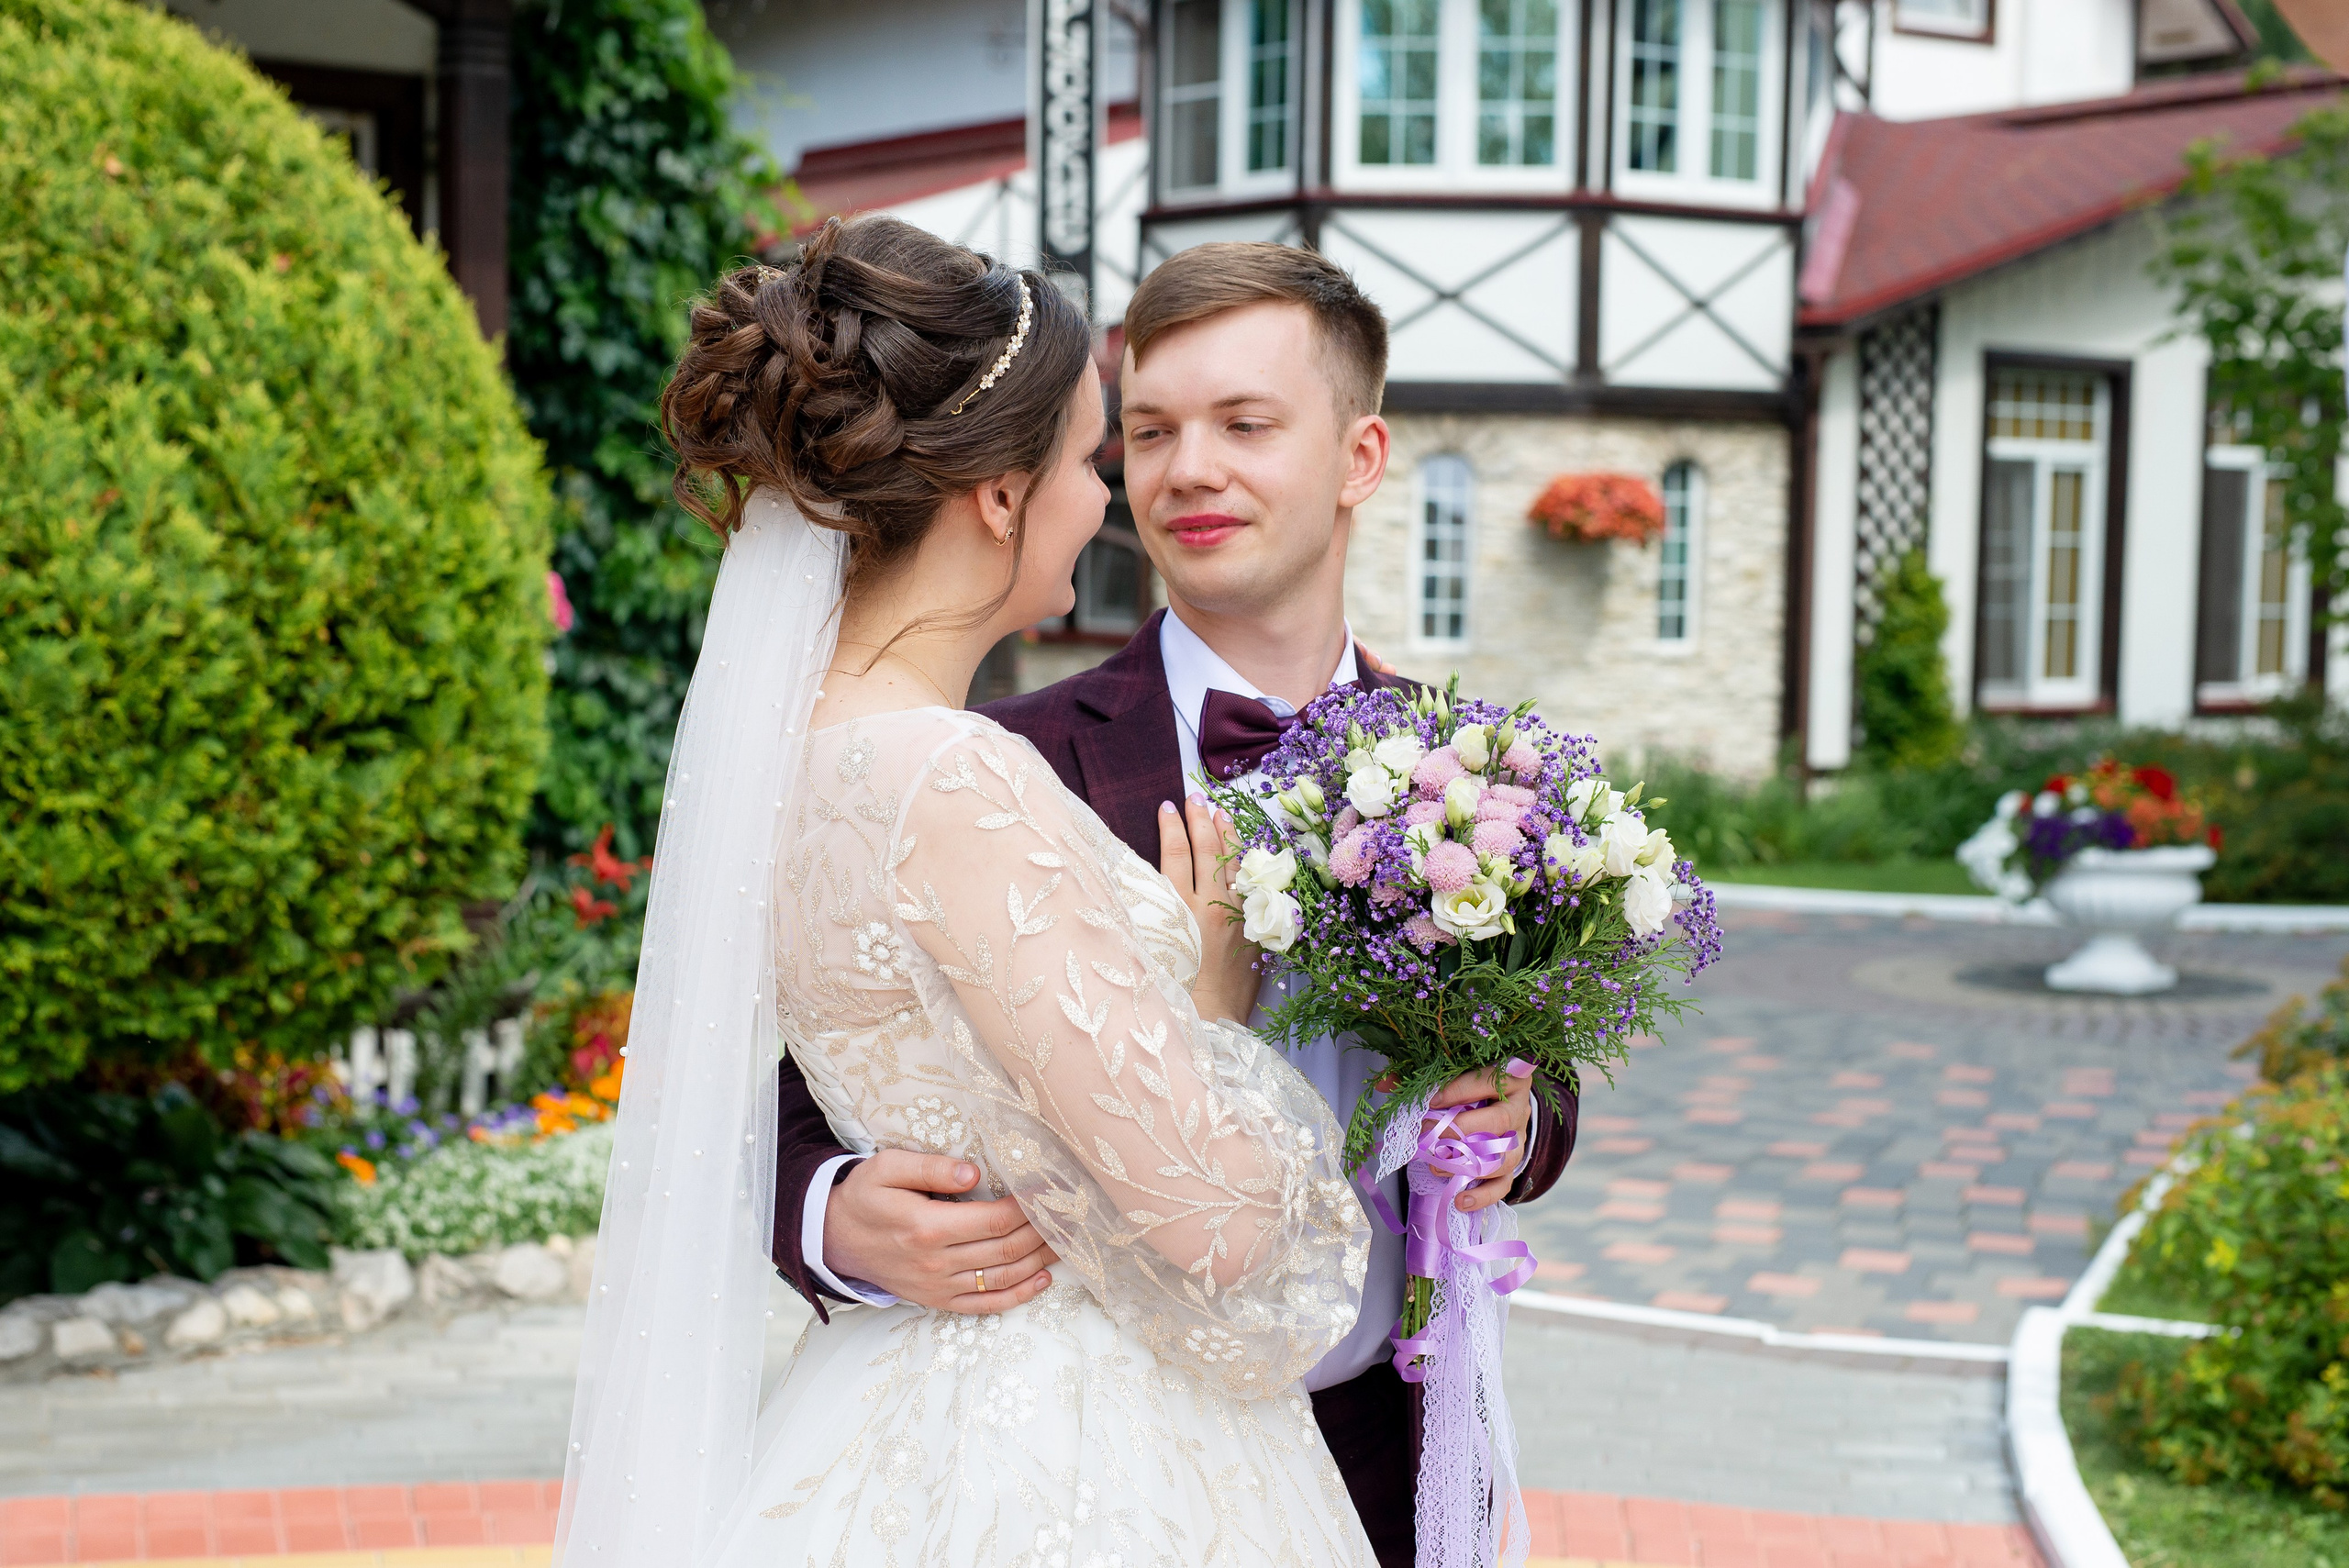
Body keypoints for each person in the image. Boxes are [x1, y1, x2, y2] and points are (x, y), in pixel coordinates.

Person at [555, 215, 1376, 1568]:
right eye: (1086, 458)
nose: (1105, 500)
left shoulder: (790, 757)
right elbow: (1224, 1227)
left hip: (886, 1419)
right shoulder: (952, 777)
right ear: (998, 495)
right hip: (1065, 1451)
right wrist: (1212, 1006)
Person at [768, 241, 1581, 1568]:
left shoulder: (1476, 770)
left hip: (1399, 1437)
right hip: (1107, 1456)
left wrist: (1520, 1118)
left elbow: (1536, 1042)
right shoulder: (995, 756)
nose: (1185, 468)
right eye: (1145, 431)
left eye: (1245, 425)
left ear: (1359, 458)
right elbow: (823, 1062)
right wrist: (828, 1210)